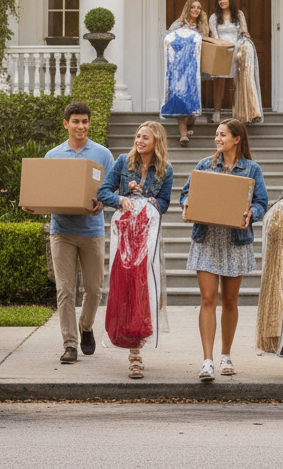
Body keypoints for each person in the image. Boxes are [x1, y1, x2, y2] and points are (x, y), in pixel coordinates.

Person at [179, 119, 268, 382]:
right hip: (206, 238)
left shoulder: (251, 168)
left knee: (229, 301)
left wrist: (252, 212)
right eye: (216, 135)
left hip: (235, 240)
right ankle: (207, 361)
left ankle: (225, 355)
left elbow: (262, 202)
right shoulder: (205, 165)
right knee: (208, 300)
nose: (217, 139)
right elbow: (187, 193)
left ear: (237, 139)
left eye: (222, 135)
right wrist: (187, 204)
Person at [39, 101, 114, 366]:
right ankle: (70, 344)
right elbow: (45, 191)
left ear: (89, 124)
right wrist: (33, 203)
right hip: (62, 231)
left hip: (92, 231)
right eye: (75, 121)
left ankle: (86, 326)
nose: (80, 126)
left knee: (94, 290)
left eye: (84, 121)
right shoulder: (53, 155)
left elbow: (110, 190)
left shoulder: (103, 154)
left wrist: (102, 204)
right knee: (65, 290)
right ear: (66, 124)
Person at [98, 120, 173, 379]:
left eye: (145, 138)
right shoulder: (122, 162)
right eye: (138, 136)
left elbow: (165, 203)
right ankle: (130, 346)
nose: (139, 141)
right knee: (125, 289)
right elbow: (102, 192)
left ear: (156, 143)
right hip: (123, 236)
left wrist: (149, 201)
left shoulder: (166, 171)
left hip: (146, 237)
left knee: (143, 290)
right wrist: (121, 198)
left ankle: (136, 353)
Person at [208, 0, 263, 124]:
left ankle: (240, 112)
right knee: (219, 83)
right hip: (221, 50)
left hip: (238, 50)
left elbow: (244, 31)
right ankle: (216, 112)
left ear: (229, 0)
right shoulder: (214, 17)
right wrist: (222, 48)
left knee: (239, 81)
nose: (222, 1)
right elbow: (214, 35)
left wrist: (246, 37)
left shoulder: (239, 14)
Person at [163, 0, 209, 145]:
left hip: (197, 66)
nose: (196, 10)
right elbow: (167, 40)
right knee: (181, 97)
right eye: (193, 7)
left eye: (199, 7)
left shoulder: (202, 25)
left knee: (193, 98)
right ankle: (183, 134)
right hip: (180, 67)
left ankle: (189, 123)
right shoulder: (178, 24)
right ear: (187, 9)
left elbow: (207, 42)